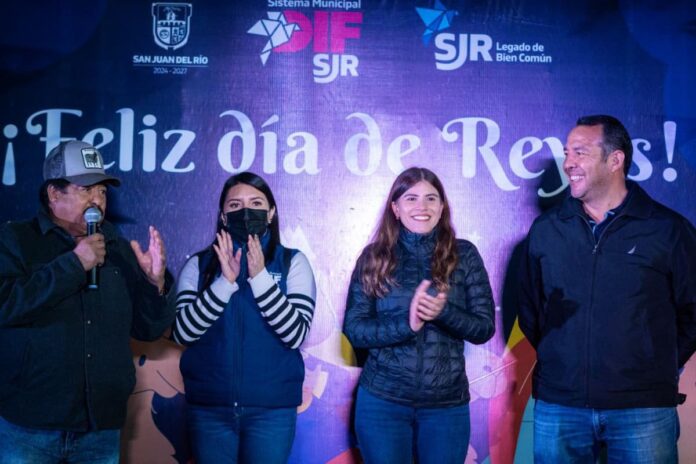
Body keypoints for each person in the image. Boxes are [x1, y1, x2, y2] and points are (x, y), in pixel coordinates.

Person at [518, 115, 696, 463]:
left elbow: (693, 312)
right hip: (560, 406)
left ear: (615, 160)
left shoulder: (667, 229)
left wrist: (653, 364)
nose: (568, 163)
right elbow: (531, 312)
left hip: (642, 408)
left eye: (580, 152)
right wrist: (562, 360)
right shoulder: (546, 230)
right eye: (567, 152)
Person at [0, 140, 175, 463]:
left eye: (103, 192)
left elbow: (148, 330)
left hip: (100, 428)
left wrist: (156, 284)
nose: (97, 200)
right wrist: (74, 265)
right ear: (54, 194)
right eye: (85, 189)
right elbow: (6, 304)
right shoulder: (15, 239)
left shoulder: (119, 249)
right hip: (30, 426)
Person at [342, 167, 495, 464]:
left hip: (446, 407)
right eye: (411, 198)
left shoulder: (465, 254)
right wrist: (408, 324)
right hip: (382, 403)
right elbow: (355, 329)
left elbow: (484, 328)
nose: (421, 207)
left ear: (442, 207)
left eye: (430, 198)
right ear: (395, 208)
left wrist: (443, 312)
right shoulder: (374, 257)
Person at [171, 172, 316, 463]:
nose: (246, 211)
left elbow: (295, 334)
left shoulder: (292, 262)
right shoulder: (199, 265)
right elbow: (183, 333)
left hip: (271, 412)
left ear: (271, 212)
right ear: (223, 216)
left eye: (256, 203)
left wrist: (260, 276)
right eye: (235, 205)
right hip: (209, 409)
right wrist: (224, 283)